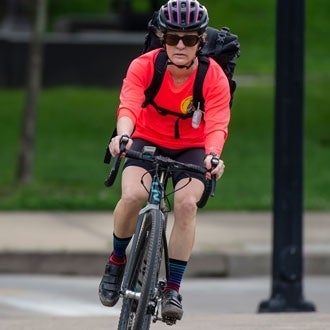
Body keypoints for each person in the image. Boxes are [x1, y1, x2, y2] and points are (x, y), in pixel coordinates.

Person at [99, 0, 230, 321]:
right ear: (163, 39)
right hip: (146, 139)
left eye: (189, 39)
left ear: (201, 41)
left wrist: (213, 156)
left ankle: (172, 288)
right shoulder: (144, 65)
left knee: (186, 205)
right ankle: (117, 261)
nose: (181, 46)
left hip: (192, 147)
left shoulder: (213, 77)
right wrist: (123, 136)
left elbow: (217, 123)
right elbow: (128, 104)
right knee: (133, 195)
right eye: (173, 38)